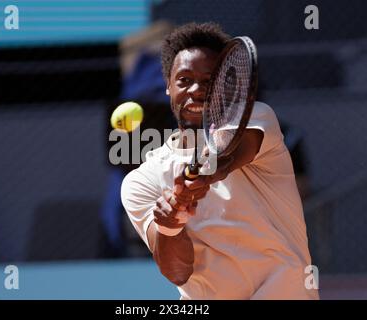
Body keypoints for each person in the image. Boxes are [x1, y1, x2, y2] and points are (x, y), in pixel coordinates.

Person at [121, 22, 319, 300]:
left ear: (229, 86)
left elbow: (227, 154)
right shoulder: (142, 181)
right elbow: (178, 273)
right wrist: (170, 223)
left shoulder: (258, 119)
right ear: (168, 86)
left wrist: (202, 176)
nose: (197, 89)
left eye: (209, 80)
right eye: (184, 80)